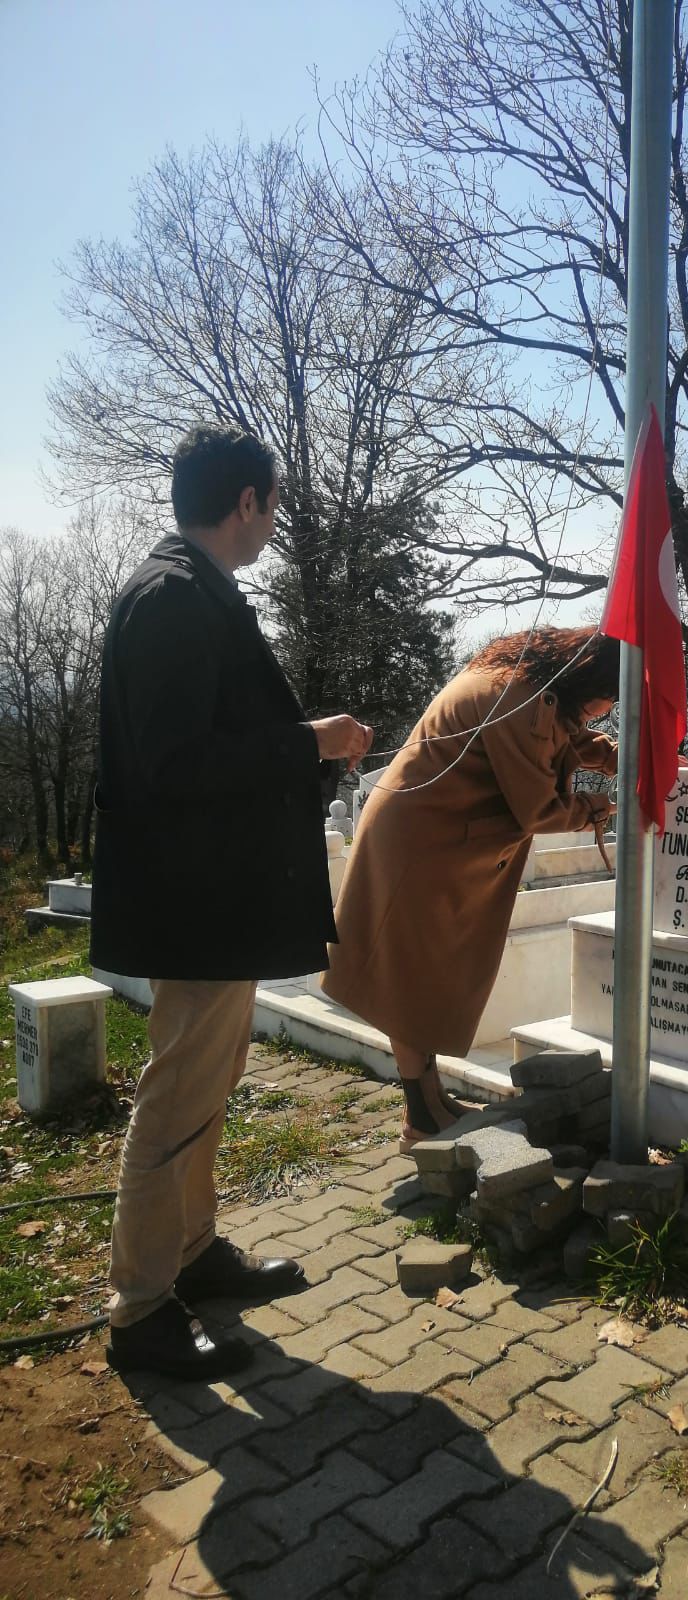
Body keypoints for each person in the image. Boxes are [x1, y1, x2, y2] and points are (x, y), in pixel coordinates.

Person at [92, 423, 373, 1381]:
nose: (274, 521)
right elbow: (174, 767)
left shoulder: (194, 588)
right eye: (273, 503)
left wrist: (304, 747)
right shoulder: (172, 598)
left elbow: (210, 740)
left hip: (216, 899)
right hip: (196, 903)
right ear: (246, 502)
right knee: (176, 1097)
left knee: (206, 1087)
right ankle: (139, 1311)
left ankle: (193, 1251)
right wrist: (309, 742)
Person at [322, 627, 619, 1140]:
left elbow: (564, 739)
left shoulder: (526, 685)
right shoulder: (518, 698)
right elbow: (539, 810)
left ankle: (431, 1099)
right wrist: (604, 807)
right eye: (608, 699)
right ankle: (421, 1116)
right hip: (419, 840)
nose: (606, 711)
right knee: (410, 977)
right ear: (588, 680)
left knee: (426, 975)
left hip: (429, 831)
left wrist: (619, 758)